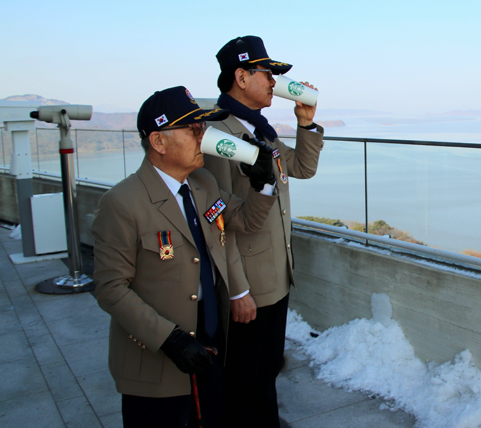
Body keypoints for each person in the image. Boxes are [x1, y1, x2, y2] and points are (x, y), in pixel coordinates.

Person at [92, 86, 278, 428]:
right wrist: (170, 339)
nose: (202, 136)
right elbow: (110, 288)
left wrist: (263, 183)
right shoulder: (122, 203)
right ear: (159, 142)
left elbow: (243, 220)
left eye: (202, 128)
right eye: (192, 129)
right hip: (158, 361)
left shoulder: (202, 183)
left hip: (208, 347)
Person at [201, 35, 324, 427]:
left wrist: (307, 124)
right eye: (266, 73)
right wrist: (237, 289)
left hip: (275, 276)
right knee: (241, 376)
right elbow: (216, 223)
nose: (274, 82)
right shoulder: (217, 136)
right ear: (240, 76)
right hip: (248, 285)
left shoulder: (261, 130)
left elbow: (302, 168)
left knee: (267, 367)